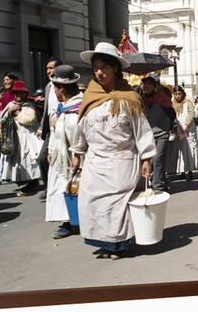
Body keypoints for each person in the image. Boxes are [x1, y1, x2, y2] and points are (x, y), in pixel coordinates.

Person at [71, 42, 156, 260]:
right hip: (95, 162)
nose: (99, 72)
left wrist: (146, 156)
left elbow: (141, 130)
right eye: (96, 68)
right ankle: (103, 242)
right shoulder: (90, 97)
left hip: (122, 159)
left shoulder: (129, 98)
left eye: (104, 68)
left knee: (116, 205)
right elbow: (82, 128)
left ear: (115, 69)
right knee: (93, 203)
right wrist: (77, 152)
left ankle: (119, 245)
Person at [45, 65, 83, 239]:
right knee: (63, 189)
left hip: (73, 160)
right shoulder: (64, 107)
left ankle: (72, 222)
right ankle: (68, 220)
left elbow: (78, 138)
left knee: (72, 190)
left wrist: (77, 158)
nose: (54, 92)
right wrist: (51, 150)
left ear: (62, 89)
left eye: (55, 88)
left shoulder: (75, 109)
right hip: (60, 159)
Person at [1, 80, 44, 196]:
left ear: (25, 94)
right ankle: (27, 181)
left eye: (21, 93)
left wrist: (17, 113)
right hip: (16, 138)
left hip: (30, 138)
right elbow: (2, 117)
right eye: (16, 93)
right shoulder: (11, 104)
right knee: (21, 162)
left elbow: (29, 120)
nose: (18, 95)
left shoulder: (29, 106)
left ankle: (33, 184)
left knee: (30, 161)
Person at [140, 75, 176, 191]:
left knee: (158, 159)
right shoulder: (140, 100)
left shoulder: (162, 98)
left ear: (154, 87)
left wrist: (168, 128)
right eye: (144, 84)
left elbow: (172, 114)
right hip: (147, 135)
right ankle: (162, 180)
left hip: (162, 134)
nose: (146, 86)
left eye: (149, 84)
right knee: (149, 160)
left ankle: (157, 186)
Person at [37, 57, 64, 200]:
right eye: (47, 68)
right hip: (51, 131)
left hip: (64, 128)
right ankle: (48, 187)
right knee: (42, 159)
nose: (49, 71)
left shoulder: (65, 84)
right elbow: (47, 111)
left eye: (51, 68)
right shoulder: (48, 87)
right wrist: (42, 127)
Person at [0, 71, 19, 184]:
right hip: (7, 127)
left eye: (7, 79)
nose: (5, 82)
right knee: (6, 152)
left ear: (14, 80)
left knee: (13, 152)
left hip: (17, 126)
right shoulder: (4, 95)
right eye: (4, 80)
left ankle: (0, 175)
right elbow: (3, 113)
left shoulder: (18, 92)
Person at [169, 85, 197, 181]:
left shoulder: (188, 102)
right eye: (176, 94)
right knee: (179, 152)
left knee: (188, 151)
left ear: (183, 93)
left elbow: (191, 114)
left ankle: (189, 171)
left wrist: (185, 126)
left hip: (188, 130)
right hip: (178, 130)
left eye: (179, 94)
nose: (178, 96)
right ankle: (181, 171)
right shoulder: (172, 104)